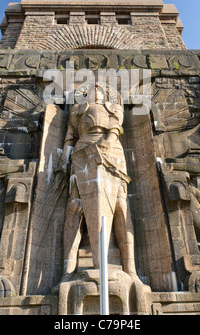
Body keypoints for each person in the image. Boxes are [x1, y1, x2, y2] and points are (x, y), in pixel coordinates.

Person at [58, 83, 140, 283]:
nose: (96, 93)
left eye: (100, 91)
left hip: (112, 151)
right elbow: (70, 137)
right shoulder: (78, 109)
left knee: (121, 204)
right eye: (92, 91)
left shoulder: (113, 107)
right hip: (82, 150)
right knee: (75, 206)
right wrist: (64, 157)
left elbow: (115, 128)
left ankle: (131, 271)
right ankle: (67, 272)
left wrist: (107, 142)